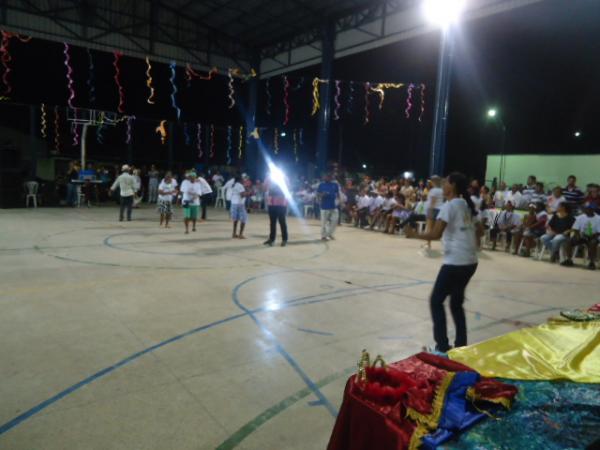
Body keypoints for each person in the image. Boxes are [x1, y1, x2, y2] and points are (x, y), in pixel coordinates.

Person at [406, 172, 482, 353]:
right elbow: (480, 229)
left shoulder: (449, 206)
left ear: (453, 186)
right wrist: (473, 244)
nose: (443, 186)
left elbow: (435, 234)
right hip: (470, 262)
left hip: (455, 262)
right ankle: (461, 346)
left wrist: (414, 235)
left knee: (436, 301)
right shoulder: (466, 204)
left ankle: (442, 346)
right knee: (456, 304)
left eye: (446, 182)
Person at [562, 202, 600, 269]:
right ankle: (569, 260)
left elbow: (598, 232)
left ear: (593, 210)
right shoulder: (580, 217)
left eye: (590, 209)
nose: (587, 210)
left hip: (593, 236)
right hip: (582, 235)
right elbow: (575, 228)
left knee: (593, 243)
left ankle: (591, 262)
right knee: (568, 241)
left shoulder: (598, 218)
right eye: (586, 208)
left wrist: (590, 235)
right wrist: (578, 235)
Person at [264, 173, 289, 247]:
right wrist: (267, 179)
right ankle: (271, 239)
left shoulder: (284, 178)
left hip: (281, 203)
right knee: (272, 222)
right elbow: (265, 188)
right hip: (271, 202)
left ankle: (284, 239)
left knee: (282, 221)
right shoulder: (269, 178)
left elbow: (287, 188)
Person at [317, 173, 340, 241]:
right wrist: (322, 194)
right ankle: (323, 236)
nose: (327, 178)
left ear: (331, 177)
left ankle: (330, 234)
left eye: (329, 177)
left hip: (333, 206)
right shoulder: (321, 185)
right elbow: (318, 195)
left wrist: (339, 201)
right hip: (324, 207)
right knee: (324, 222)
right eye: (326, 177)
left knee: (335, 221)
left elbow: (337, 193)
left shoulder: (335, 185)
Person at [424, 175, 443, 250]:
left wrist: (430, 211)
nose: (430, 182)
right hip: (440, 210)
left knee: (429, 228)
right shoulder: (442, 190)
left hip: (433, 210)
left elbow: (433, 202)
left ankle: (428, 244)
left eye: (431, 181)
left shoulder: (434, 190)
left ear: (434, 181)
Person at [230, 175, 250, 239]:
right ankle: (240, 234)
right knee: (243, 219)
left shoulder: (234, 185)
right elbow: (242, 195)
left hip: (233, 203)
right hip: (239, 204)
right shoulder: (240, 185)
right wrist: (249, 193)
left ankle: (234, 233)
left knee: (235, 219)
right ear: (240, 179)